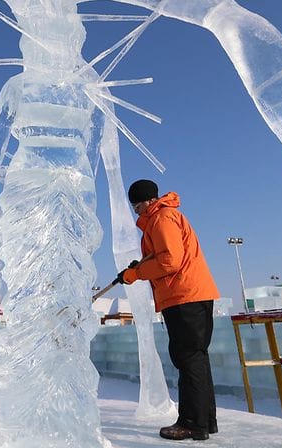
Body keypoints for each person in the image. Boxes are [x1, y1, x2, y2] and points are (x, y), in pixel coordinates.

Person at [118, 179, 220, 441]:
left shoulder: (162, 218)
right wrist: (139, 266)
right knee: (196, 358)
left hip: (183, 296)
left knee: (187, 358)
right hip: (191, 295)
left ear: (149, 201)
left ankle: (191, 423)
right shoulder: (165, 217)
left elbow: (170, 260)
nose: (136, 210)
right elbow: (164, 254)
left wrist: (136, 273)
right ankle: (204, 421)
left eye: (138, 205)